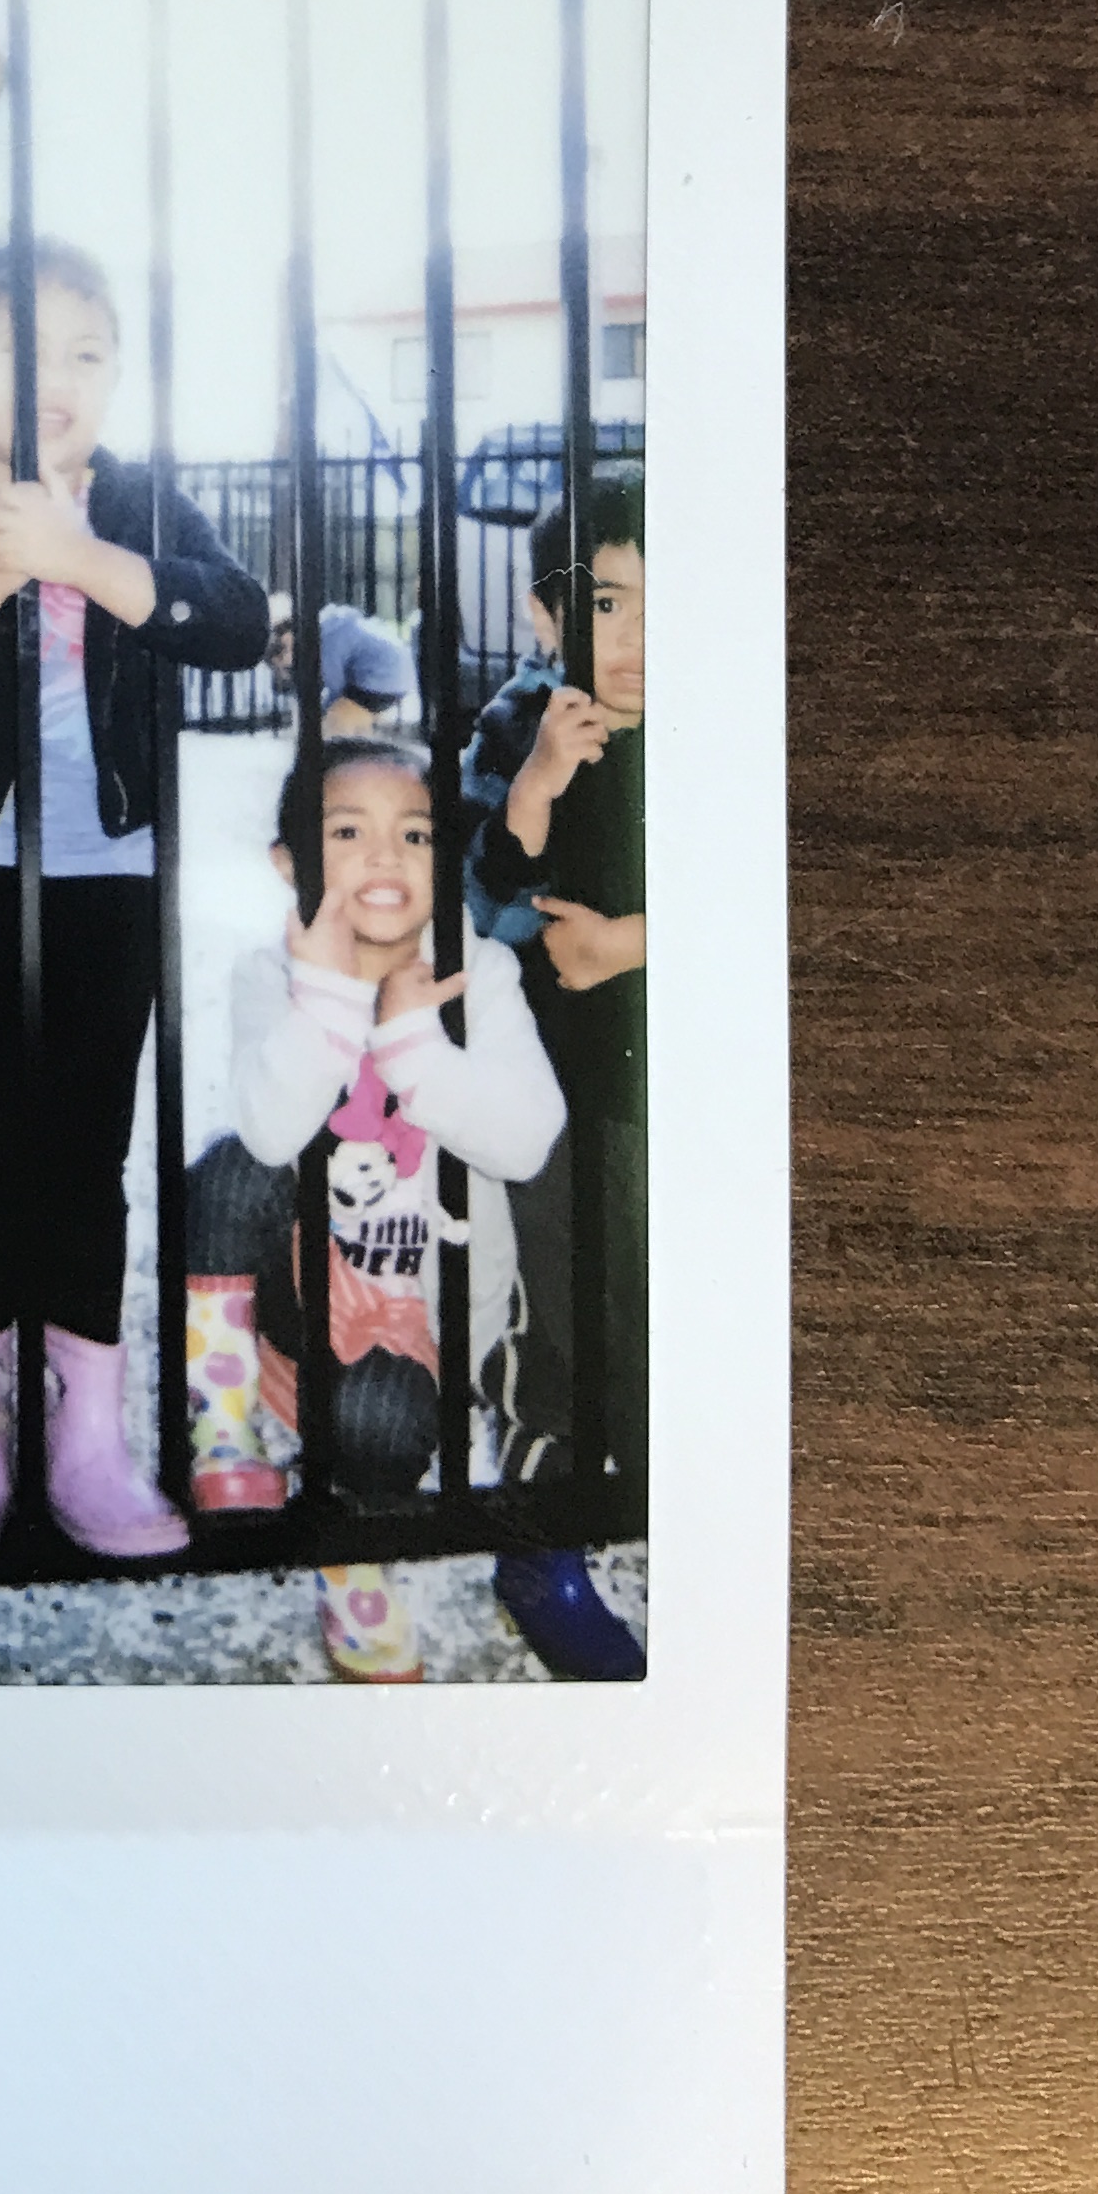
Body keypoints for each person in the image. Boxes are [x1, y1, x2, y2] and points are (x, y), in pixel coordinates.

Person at [0, 239, 269, 1566]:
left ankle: (88, 1431)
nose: (57, 379)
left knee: (86, 1154)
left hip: (108, 885)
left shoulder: (145, 502)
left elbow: (233, 617)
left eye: (87, 353)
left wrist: (86, 556)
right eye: (21, 348)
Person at [183, 738, 560, 1677]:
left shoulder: (480, 975)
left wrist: (410, 1043)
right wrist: (334, 997)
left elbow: (526, 1139)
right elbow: (273, 1132)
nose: (386, 857)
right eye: (347, 832)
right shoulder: (270, 976)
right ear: (289, 865)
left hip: (416, 1331)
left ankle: (352, 1550)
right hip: (299, 1309)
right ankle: (222, 1418)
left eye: (416, 834)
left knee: (386, 1422)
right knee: (230, 1169)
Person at [458, 474, 648, 1680]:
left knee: (653, 1299)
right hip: (559, 1090)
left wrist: (629, 942)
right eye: (613, 605)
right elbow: (471, 908)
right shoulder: (515, 725)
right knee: (565, 1308)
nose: (641, 643)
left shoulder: (719, 728)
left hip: (671, 1083)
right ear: (546, 619)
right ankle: (538, 1541)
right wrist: (533, 785)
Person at [264, 591, 417, 734]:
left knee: (330, 727)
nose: (284, 660)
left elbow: (335, 685)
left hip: (381, 677)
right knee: (350, 720)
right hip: (395, 673)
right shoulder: (331, 623)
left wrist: (322, 710)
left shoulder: (326, 640)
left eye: (280, 649)